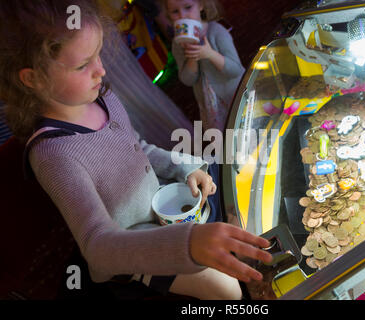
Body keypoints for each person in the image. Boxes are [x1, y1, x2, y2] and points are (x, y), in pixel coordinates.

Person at [0, 0, 271, 300]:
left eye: (99, 55)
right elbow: (97, 245)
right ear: (32, 78)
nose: (101, 70)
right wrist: (187, 244)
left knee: (240, 213)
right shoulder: (53, 155)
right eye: (82, 65)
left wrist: (187, 167)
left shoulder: (103, 96)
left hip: (159, 207)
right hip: (132, 247)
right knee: (226, 290)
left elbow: (139, 148)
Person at [162, 0, 245, 132]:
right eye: (175, 12)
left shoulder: (216, 31)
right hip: (212, 107)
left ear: (201, 5)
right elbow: (187, 80)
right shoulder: (178, 44)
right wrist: (192, 56)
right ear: (169, 15)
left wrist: (210, 54)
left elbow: (236, 70)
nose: (182, 15)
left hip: (234, 96)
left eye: (188, 7)